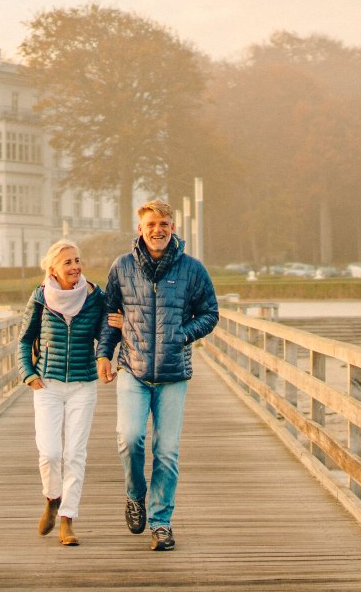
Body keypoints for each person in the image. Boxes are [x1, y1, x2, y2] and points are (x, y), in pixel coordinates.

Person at [98, 199, 218, 551]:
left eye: (164, 224)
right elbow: (110, 313)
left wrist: (183, 334)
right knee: (129, 438)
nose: (157, 230)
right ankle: (135, 495)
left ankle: (161, 523)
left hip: (173, 373)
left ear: (172, 227)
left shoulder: (193, 270)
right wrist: (104, 353)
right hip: (132, 370)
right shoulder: (122, 267)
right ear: (140, 229)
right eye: (151, 224)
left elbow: (210, 312)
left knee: (166, 451)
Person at [19, 240, 110, 546]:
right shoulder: (41, 298)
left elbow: (106, 334)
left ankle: (67, 519)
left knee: (74, 454)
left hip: (83, 385)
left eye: (77, 260)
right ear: (53, 269)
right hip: (47, 385)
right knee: (50, 452)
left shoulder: (95, 297)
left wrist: (109, 345)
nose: (75, 267)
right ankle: (52, 497)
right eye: (68, 262)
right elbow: (24, 340)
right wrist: (28, 374)